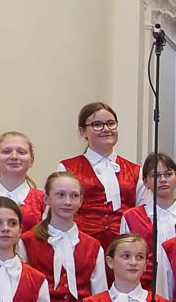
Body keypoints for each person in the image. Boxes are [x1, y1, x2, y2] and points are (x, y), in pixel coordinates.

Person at [21, 170, 108, 302]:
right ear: (47, 198)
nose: (67, 202)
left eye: (74, 196)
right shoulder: (28, 241)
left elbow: (99, 294)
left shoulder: (93, 246)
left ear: (81, 201)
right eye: (60, 195)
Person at [57, 102, 139, 249]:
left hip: (124, 248)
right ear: (83, 131)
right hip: (81, 245)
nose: (106, 129)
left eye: (111, 123)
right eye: (97, 125)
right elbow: (58, 212)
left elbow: (142, 217)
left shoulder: (135, 171)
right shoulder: (68, 168)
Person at [120, 152, 176, 286]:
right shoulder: (131, 217)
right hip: (143, 287)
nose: (162, 180)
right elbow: (124, 257)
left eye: (168, 174)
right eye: (156, 176)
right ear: (145, 181)